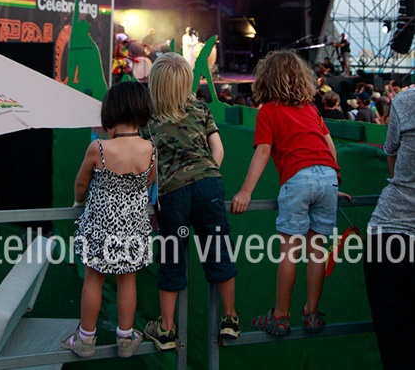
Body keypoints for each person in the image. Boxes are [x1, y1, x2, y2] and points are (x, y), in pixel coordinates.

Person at [231, 50, 343, 337]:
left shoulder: (268, 111)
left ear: (266, 79)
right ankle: (311, 314)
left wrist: (245, 191)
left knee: (290, 252)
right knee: (317, 251)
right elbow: (329, 147)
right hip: (328, 177)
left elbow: (263, 152)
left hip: (298, 178)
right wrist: (334, 184)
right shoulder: (311, 110)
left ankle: (280, 316)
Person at [143, 52, 239, 350]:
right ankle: (230, 318)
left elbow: (149, 164)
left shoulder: (150, 119)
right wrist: (207, 174)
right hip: (209, 186)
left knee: (172, 257)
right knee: (218, 249)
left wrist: (151, 194)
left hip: (173, 195)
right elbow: (219, 150)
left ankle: (167, 330)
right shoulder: (200, 109)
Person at [61, 81, 156, 359]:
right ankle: (126, 338)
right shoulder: (151, 149)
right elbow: (148, 183)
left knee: (93, 278)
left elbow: (81, 183)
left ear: (111, 111)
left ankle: (85, 339)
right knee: (127, 280)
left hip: (100, 227)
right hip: (133, 228)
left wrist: (78, 201)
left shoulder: (99, 148)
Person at [364, 88, 415, 369]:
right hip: (391, 237)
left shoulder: (405, 101)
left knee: (396, 351)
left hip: (387, 236)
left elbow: (392, 158)